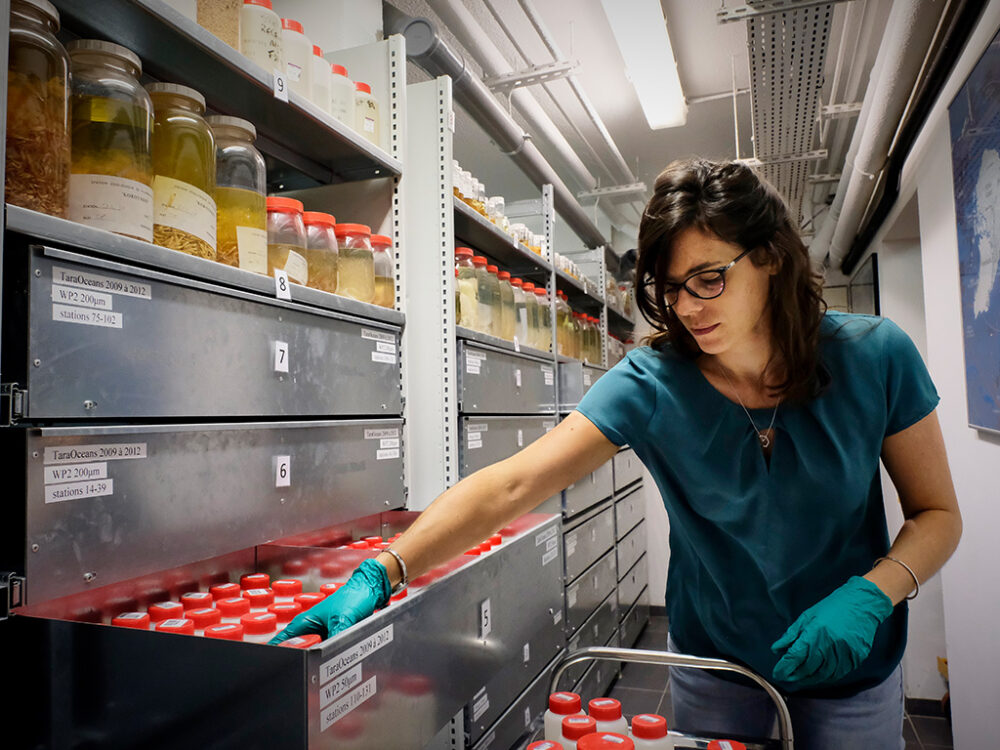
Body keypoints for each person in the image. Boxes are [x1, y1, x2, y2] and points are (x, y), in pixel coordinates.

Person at [271, 158, 962, 749]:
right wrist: (385, 569)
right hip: (717, 666)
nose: (688, 307)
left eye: (709, 278)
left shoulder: (875, 357)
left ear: (772, 257)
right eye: (669, 288)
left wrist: (877, 591)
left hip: (854, 666)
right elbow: (513, 486)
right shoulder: (653, 382)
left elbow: (937, 514)